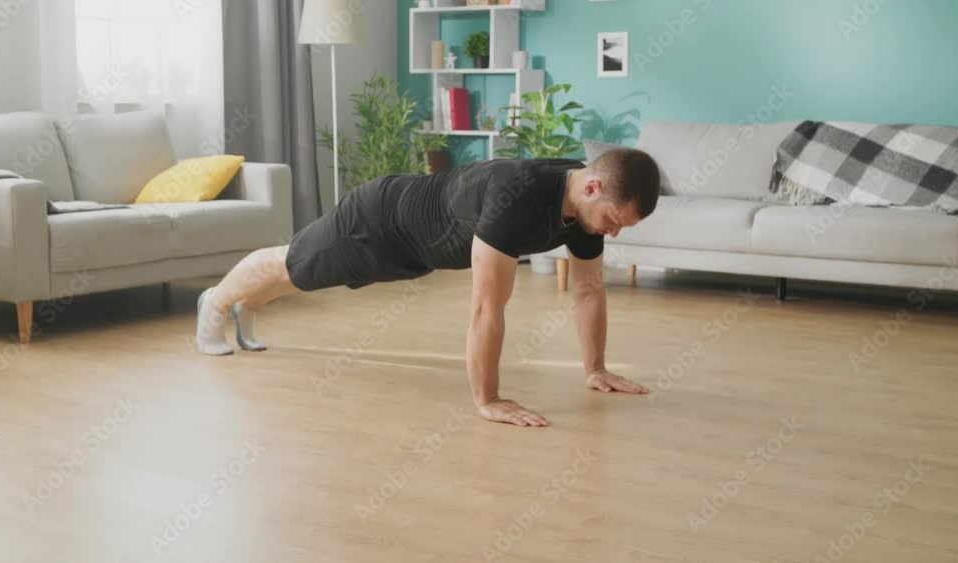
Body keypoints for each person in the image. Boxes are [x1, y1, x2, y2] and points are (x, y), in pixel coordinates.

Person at [195, 148, 661, 427]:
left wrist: (595, 368)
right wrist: (489, 400)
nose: (613, 233)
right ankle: (213, 304)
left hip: (417, 252)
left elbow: (588, 291)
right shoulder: (516, 198)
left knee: (301, 279)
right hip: (377, 222)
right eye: (614, 222)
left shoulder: (585, 207)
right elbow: (485, 309)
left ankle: (242, 306)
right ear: (594, 187)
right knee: (291, 266)